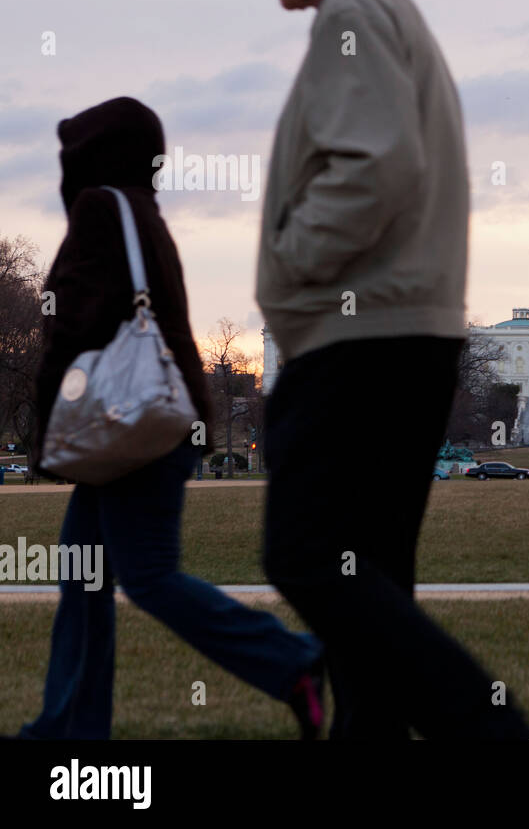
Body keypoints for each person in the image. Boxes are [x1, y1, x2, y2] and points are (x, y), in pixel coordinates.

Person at [214, 0, 529, 739]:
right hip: (404, 335)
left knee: (307, 556)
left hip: (360, 339)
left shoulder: (354, 20)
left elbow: (374, 169)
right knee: (373, 580)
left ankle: (498, 732)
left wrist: (290, 267)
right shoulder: (391, 14)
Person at [20, 97, 324, 740]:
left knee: (149, 577)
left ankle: (294, 663)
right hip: (152, 420)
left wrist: (46, 422)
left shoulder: (102, 210)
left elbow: (71, 320)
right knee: (85, 578)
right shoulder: (143, 213)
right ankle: (68, 731)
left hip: (134, 427)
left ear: (91, 158)